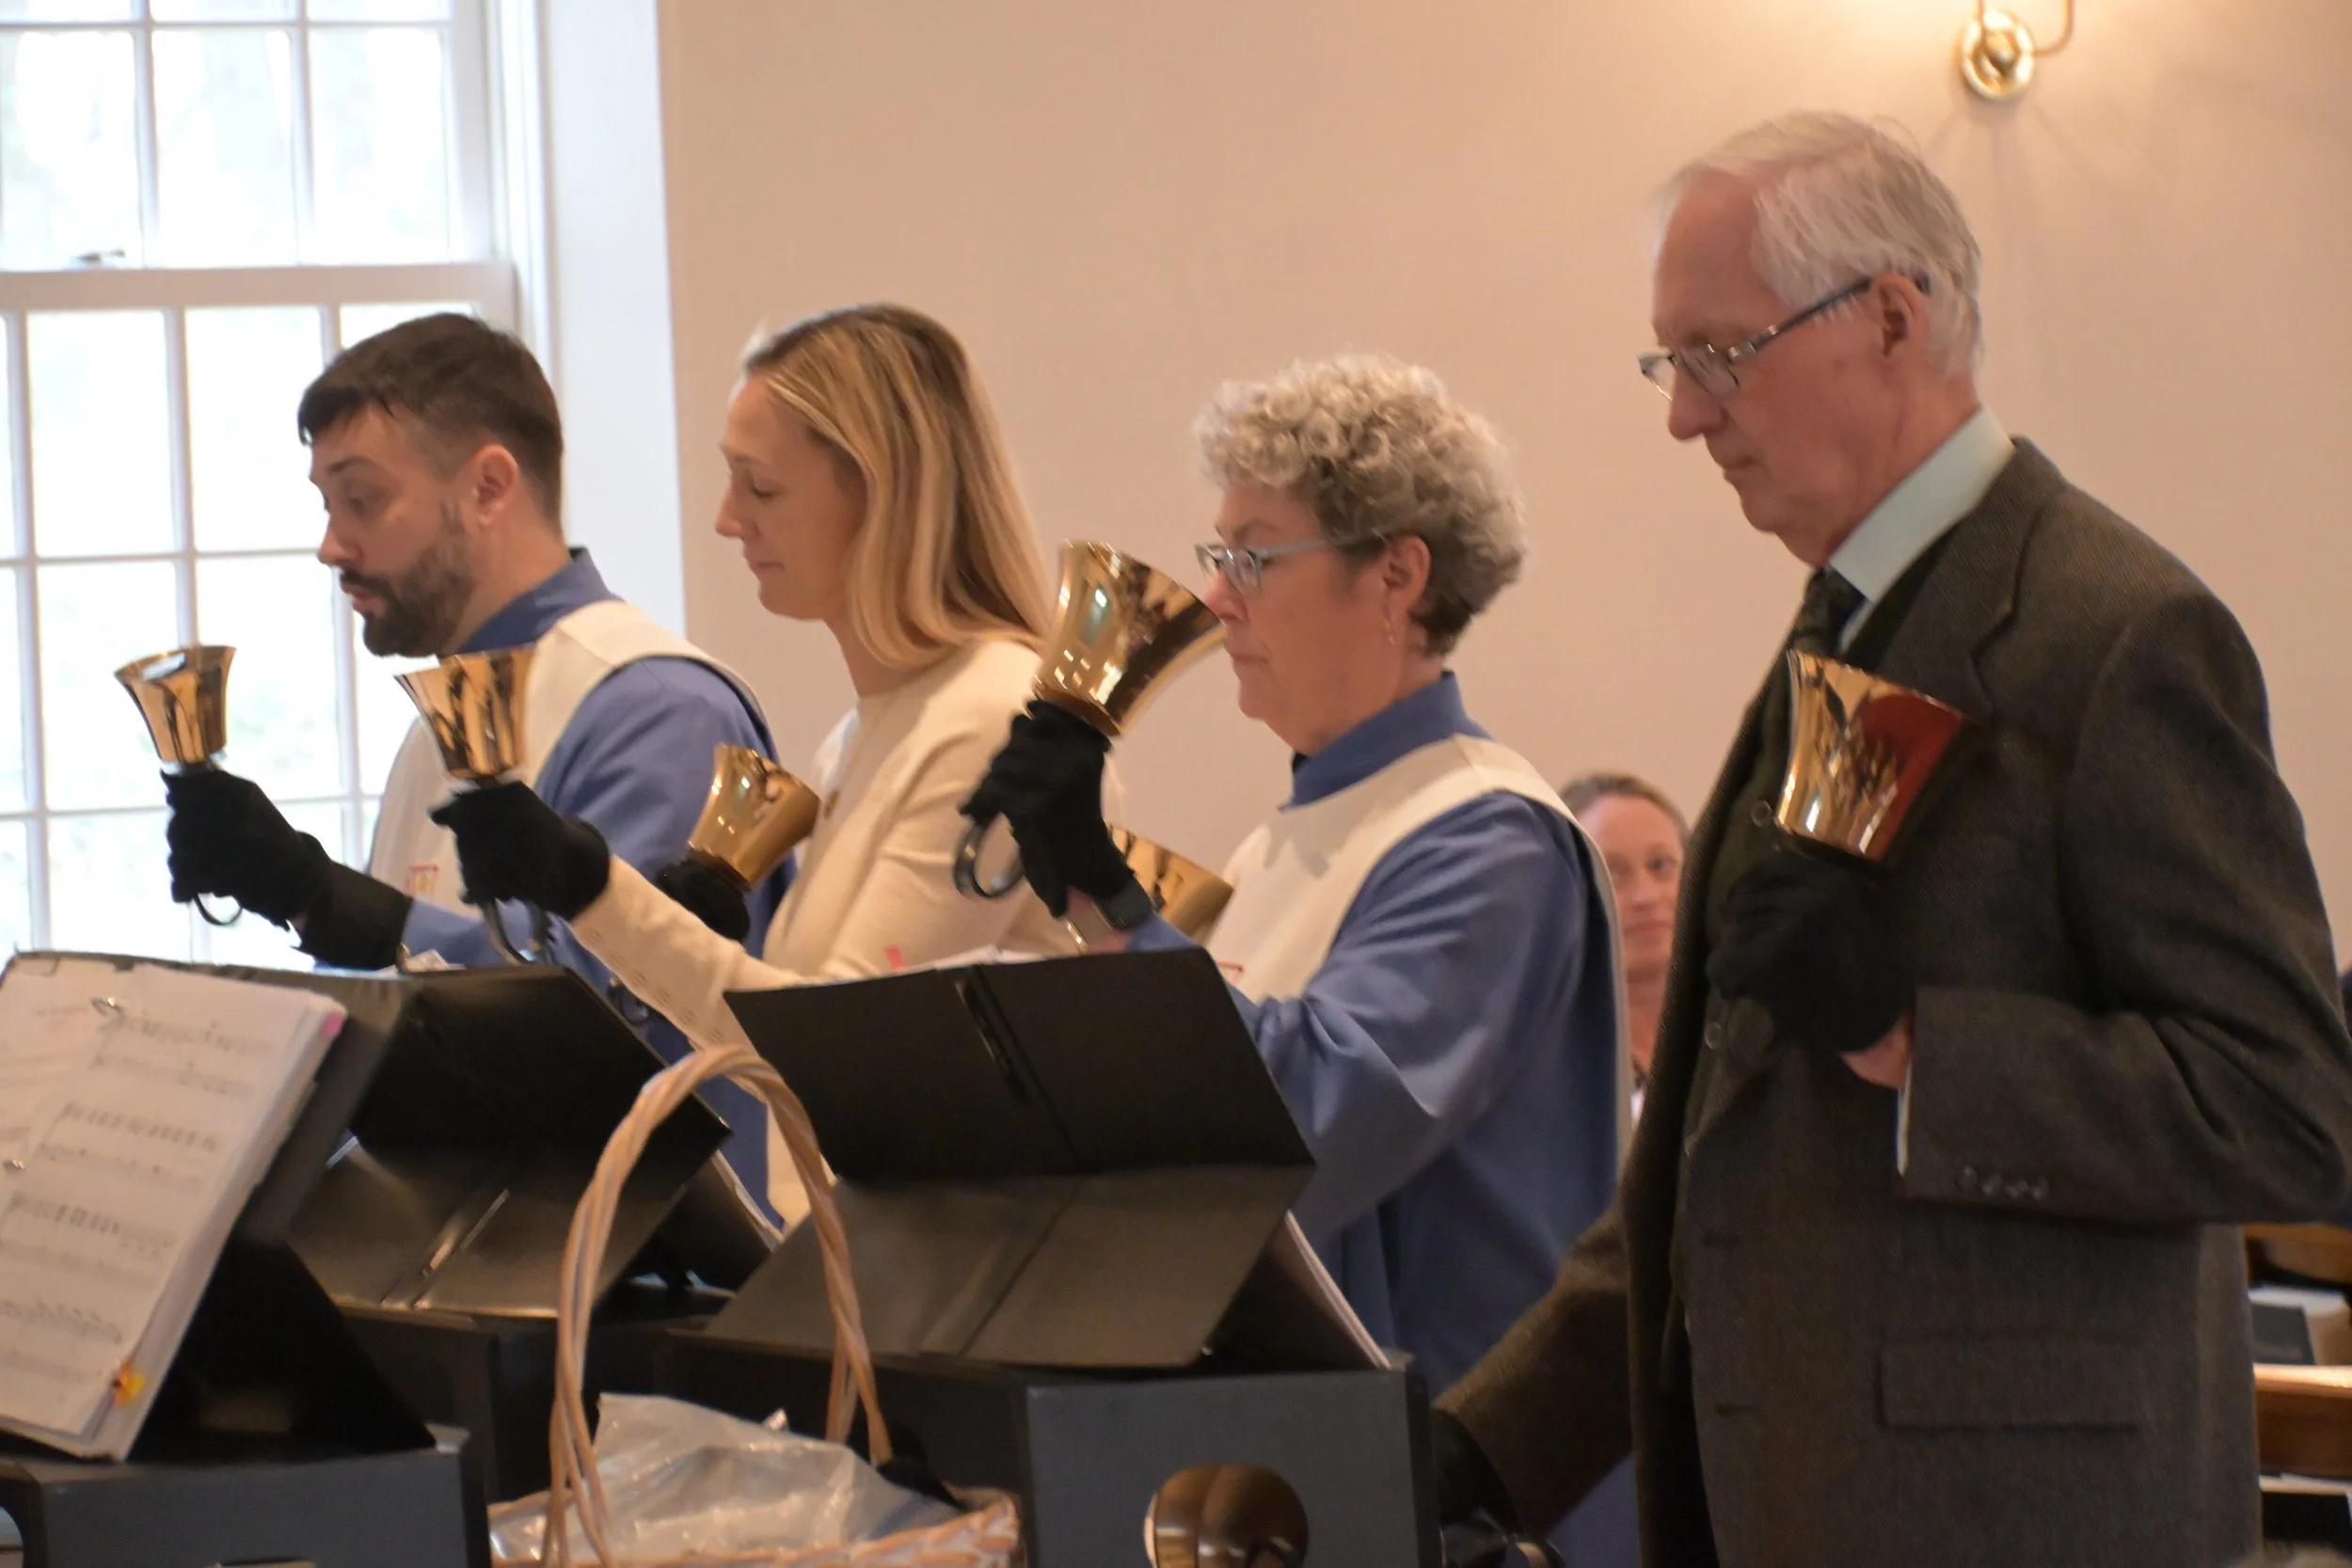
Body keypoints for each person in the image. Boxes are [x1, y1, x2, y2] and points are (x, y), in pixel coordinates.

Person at [1430, 112, 2352, 1568]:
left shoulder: (2115, 632)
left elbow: (2291, 1104)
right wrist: (1484, 1441)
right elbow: (1726, 1142)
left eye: (1720, 352)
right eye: (1672, 362)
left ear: (1891, 316)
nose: (1685, 413)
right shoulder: (1849, 617)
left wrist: (1916, 1041)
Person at [963, 354, 1634, 1564]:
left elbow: (1311, 1120)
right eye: (1217, 554)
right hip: (1317, 1477)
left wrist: (1109, 897)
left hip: (1457, 1499)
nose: (1218, 598)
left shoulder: (1489, 836)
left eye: (1253, 556)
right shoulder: (1291, 834)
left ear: (1398, 574)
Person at [425, 303, 1080, 1223]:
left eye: (761, 488)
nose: (729, 520)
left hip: (961, 1278)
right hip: (874, 1266)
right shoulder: (866, 734)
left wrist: (588, 884)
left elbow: (837, 1051)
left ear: (876, 492)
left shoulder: (995, 717)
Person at [161, 312, 787, 1196]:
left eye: (363, 500)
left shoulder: (651, 707)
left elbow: (624, 1027)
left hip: (637, 1295)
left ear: (490, 486)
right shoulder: (442, 721)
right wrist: (304, 907)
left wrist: (342, 906)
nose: (332, 545)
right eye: (327, 505)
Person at [1562, 773, 1689, 1122]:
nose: (1646, 897)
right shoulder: (1547, 1069)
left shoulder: (1742, 1043)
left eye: (1661, 865)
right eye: (1612, 873)